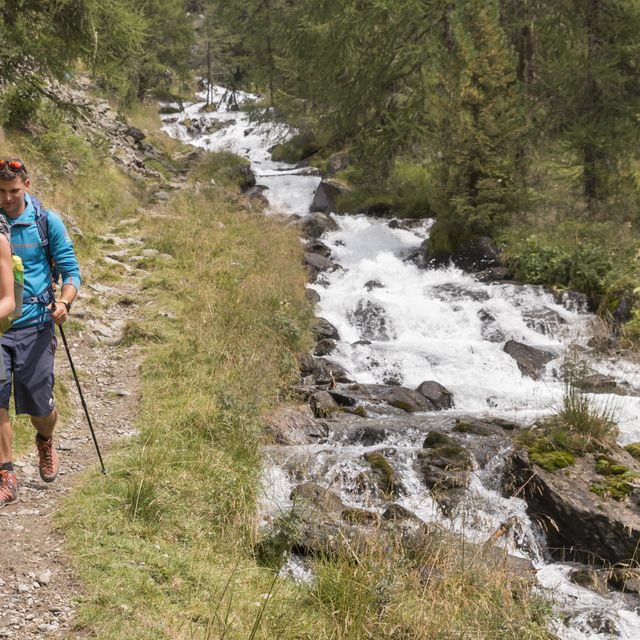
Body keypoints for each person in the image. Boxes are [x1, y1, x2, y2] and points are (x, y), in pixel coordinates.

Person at [0, 158, 81, 507]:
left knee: (39, 408)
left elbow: (71, 273)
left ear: (27, 186)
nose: (7, 198)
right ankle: (5, 473)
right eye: (1, 192)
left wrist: (64, 303)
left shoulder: (47, 222)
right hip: (1, 327)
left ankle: (44, 440)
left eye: (14, 191)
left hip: (36, 324)